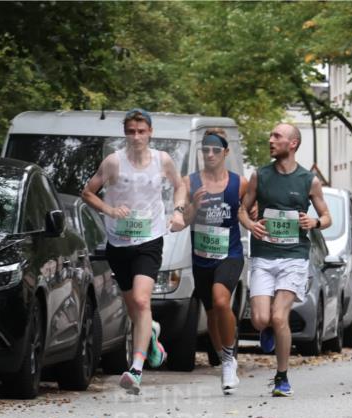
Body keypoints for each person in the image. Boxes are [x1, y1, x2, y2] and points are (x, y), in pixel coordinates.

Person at [82, 108, 188, 394]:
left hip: (150, 239)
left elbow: (180, 187)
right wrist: (110, 209)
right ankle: (151, 334)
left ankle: (136, 369)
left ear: (150, 132)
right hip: (119, 243)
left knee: (142, 301)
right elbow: (88, 192)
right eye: (131, 131)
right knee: (135, 309)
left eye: (142, 131)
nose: (136, 136)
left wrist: (178, 212)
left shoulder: (162, 161)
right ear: (125, 133)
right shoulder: (114, 163)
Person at [238, 123, 332, 397]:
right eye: (271, 135)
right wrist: (251, 225)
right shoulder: (260, 176)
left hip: (294, 257)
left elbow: (327, 217)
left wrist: (314, 221)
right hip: (264, 257)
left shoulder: (308, 180)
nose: (271, 140)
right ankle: (269, 329)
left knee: (280, 317)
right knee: (259, 319)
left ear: (293, 144)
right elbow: (242, 210)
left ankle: (282, 377)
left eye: (277, 136)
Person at [169, 128, 246, 394]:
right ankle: (224, 356)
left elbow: (248, 211)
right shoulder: (189, 183)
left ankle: (228, 360)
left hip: (230, 254)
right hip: (202, 258)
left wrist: (255, 217)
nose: (210, 154)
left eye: (215, 150)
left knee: (222, 300)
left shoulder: (239, 183)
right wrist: (191, 209)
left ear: (226, 152)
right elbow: (180, 219)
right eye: (205, 150)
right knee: (212, 313)